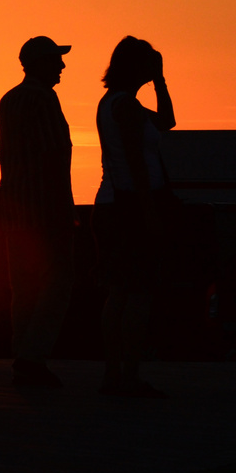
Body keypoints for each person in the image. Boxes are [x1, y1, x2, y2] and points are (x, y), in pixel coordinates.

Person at [93, 35, 175, 396]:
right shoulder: (124, 106)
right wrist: (150, 210)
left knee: (121, 291)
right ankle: (127, 374)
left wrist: (160, 80)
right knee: (137, 292)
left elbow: (168, 121)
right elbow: (136, 162)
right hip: (129, 205)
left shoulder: (119, 102)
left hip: (116, 204)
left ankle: (116, 373)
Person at [0, 36, 75, 388]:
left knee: (23, 288)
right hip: (44, 209)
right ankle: (33, 356)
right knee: (58, 283)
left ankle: (22, 354)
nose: (61, 66)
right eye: (55, 60)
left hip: (16, 210)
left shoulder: (8, 99)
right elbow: (53, 155)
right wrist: (65, 208)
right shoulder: (44, 98)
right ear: (40, 63)